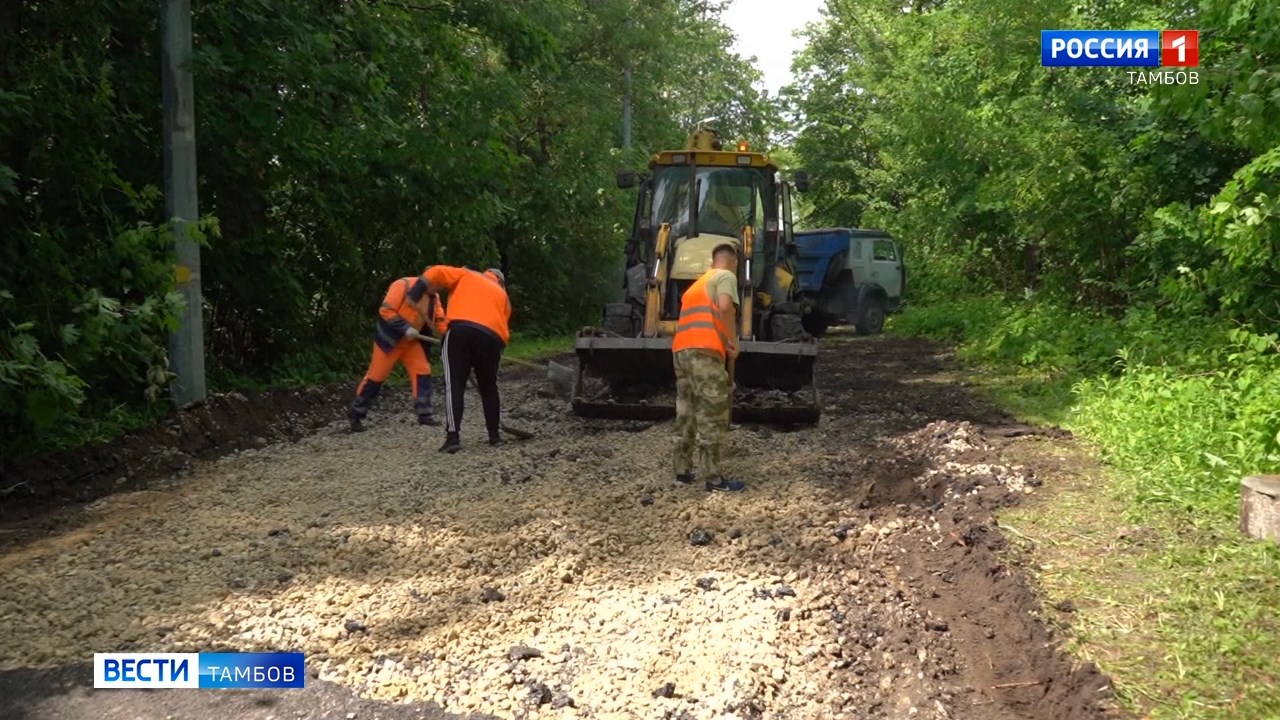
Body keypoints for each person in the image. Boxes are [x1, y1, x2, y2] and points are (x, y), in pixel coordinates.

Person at [671, 243, 745, 492]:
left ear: (713, 261)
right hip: (704, 353)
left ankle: (682, 471)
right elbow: (725, 308)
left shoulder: (696, 285)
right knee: (712, 412)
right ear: (733, 262)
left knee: (686, 411)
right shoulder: (725, 277)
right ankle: (713, 479)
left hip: (681, 352)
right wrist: (731, 342)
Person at [417, 265, 512, 453]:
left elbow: (436, 271)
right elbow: (502, 324)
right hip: (493, 339)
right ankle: (495, 436)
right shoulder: (504, 296)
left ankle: (453, 437)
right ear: (500, 282)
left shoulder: (467, 275)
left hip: (460, 331)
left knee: (455, 385)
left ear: (487, 274)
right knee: (489, 387)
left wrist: (417, 289)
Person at [349, 275, 448, 432]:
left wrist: (447, 337)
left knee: (422, 372)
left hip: (411, 343)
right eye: (437, 286)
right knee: (376, 376)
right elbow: (386, 310)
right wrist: (404, 328)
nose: (438, 290)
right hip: (389, 340)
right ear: (427, 281)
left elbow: (440, 320)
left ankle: (424, 415)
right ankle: (356, 415)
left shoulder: (433, 297)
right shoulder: (402, 285)